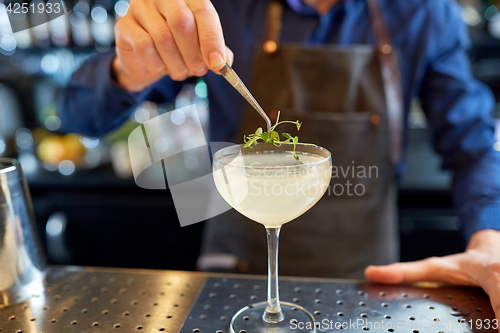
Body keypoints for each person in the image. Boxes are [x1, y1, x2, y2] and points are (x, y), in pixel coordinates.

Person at [59, 0, 500, 325]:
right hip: (233, 273)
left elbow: (474, 145)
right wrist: (130, 70)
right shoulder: (217, 10)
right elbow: (79, 116)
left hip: (368, 279)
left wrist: (490, 238)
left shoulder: (423, 11)